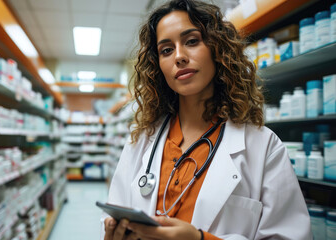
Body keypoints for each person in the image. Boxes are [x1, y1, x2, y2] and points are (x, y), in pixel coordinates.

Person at [101, 0, 312, 239]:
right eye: (166, 50)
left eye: (192, 41)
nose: (179, 57)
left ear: (217, 49)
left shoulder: (263, 147)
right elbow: (113, 214)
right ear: (157, 65)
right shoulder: (141, 140)